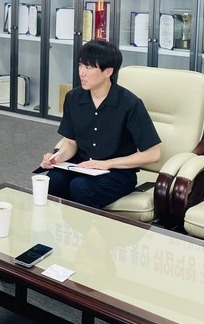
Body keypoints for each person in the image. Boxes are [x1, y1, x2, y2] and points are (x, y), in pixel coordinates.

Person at [39, 39, 161, 208]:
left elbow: (153, 154)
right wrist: (56, 158)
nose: (81, 72)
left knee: (80, 187)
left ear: (108, 71)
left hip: (117, 173)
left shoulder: (130, 104)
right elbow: (71, 143)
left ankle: (89, 225)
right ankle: (60, 223)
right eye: (80, 65)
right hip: (82, 165)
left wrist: (106, 164)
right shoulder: (73, 98)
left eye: (89, 67)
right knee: (53, 180)